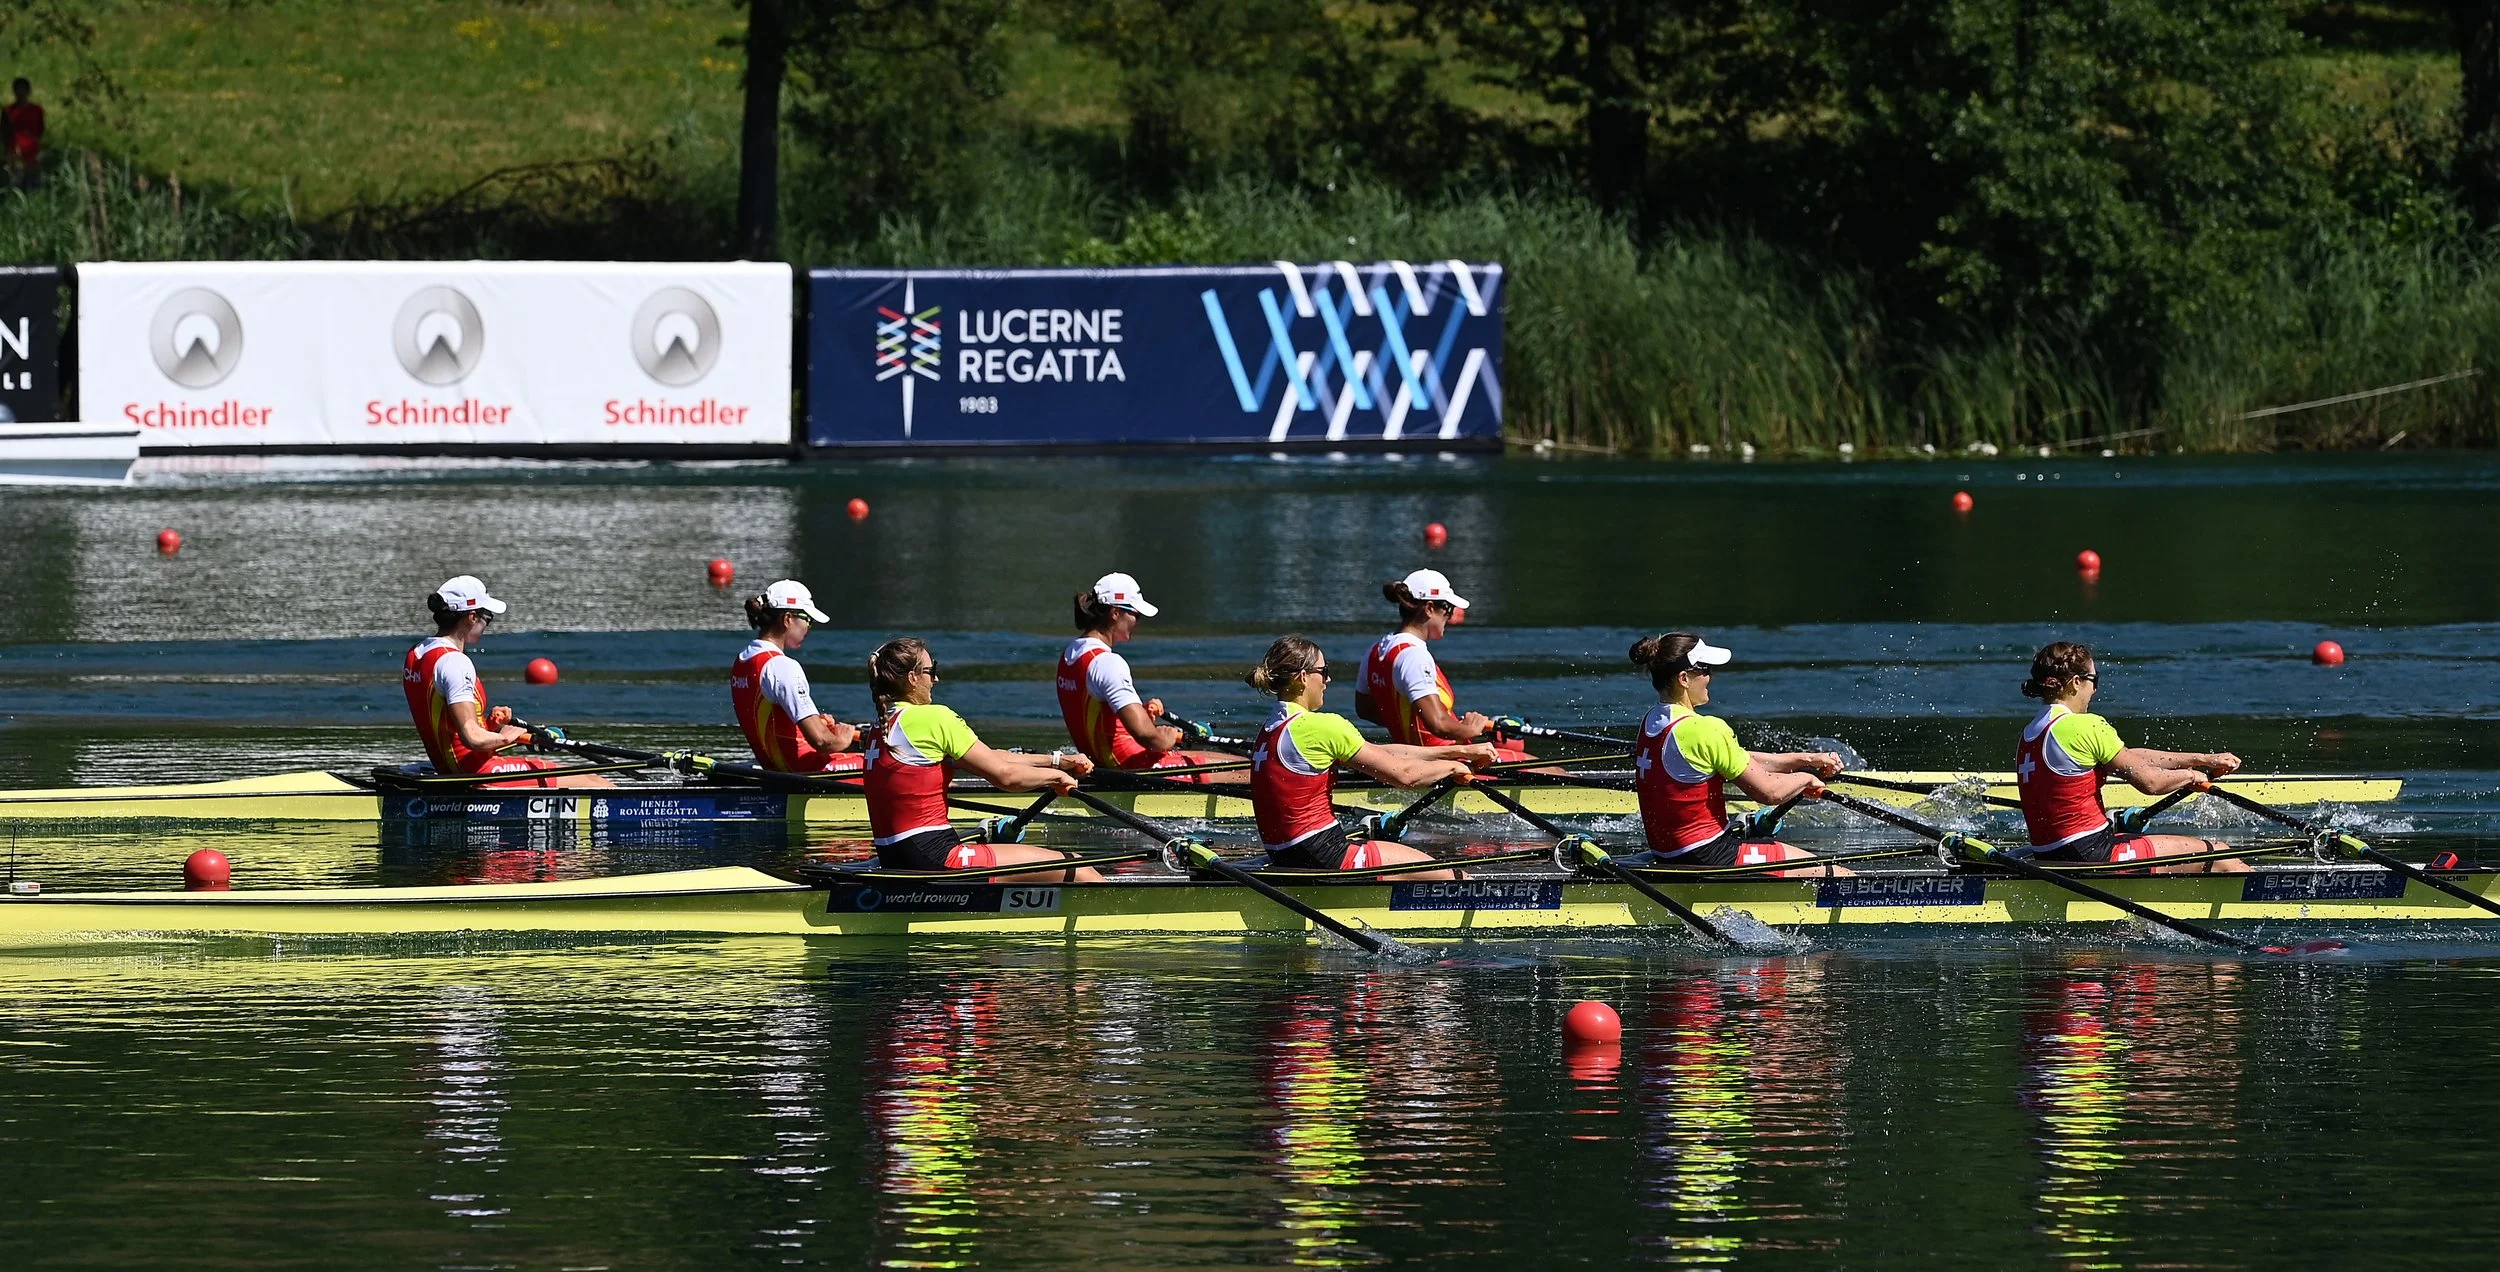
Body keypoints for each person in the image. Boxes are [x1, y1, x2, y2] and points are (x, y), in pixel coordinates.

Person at [1245, 635, 1497, 879]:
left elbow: (1381, 753)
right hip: (1327, 856)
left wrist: (1459, 752)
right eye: (1323, 671)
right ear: (1302, 677)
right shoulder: (1322, 726)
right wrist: (1452, 769)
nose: (1328, 679)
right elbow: (1404, 776)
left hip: (1285, 855)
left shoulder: (1270, 729)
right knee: (1455, 877)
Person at [863, 637, 1102, 881]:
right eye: (931, 670)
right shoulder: (933, 718)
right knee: (1081, 867)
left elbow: (991, 757)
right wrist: (1056, 778)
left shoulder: (881, 726)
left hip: (894, 857)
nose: (936, 679)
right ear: (912, 678)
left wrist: (1058, 762)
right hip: (937, 857)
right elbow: (1006, 777)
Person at [2015, 641, 2248, 873]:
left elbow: (2128, 757)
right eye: (2094, 680)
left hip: (2049, 855)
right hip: (2095, 854)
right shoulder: (2086, 726)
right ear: (2076, 683)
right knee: (2222, 855)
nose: (2095, 689)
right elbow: (2151, 783)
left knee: (2136, 838)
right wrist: (2191, 776)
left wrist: (2202, 760)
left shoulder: (2030, 735)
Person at [1627, 632, 1847, 877]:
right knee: (1838, 876)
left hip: (1669, 852)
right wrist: (1805, 779)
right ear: (1684, 679)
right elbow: (1770, 792)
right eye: (1705, 670)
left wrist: (1805, 760)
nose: (1710, 677)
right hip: (1711, 854)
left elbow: (1732, 758)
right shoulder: (1705, 728)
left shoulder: (1651, 721)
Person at [402, 575, 611, 788]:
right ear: (472, 617)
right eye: (488, 617)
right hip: (478, 772)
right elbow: (471, 737)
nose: (487, 625)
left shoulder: (416, 655)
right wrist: (505, 738)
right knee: (598, 783)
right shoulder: (454, 662)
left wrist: (490, 724)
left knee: (588, 778)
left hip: (450, 767)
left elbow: (443, 725)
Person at [1057, 571, 1240, 781]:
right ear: (1115, 612)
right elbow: (1147, 737)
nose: (1138, 622)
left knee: (1218, 758)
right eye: (1136, 614)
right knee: (1245, 770)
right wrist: (1166, 737)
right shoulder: (1108, 663)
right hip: (1131, 768)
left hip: (1101, 764)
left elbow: (1099, 718)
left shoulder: (1070, 654)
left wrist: (1143, 714)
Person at [1356, 569, 1529, 760]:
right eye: (1448, 609)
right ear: (1429, 608)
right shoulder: (1414, 656)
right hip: (1444, 763)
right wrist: (1470, 728)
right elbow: (1438, 724)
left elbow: (1365, 709)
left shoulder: (1375, 650)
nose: (1451, 616)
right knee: (1554, 770)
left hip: (1411, 761)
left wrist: (1420, 726)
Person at [732, 580, 863, 772]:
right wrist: (843, 737)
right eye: (807, 619)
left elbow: (774, 723)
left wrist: (819, 723)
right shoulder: (782, 667)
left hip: (774, 767)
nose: (810, 627)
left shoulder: (743, 660)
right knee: (880, 763)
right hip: (802, 771)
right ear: (787, 619)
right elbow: (823, 742)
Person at [2, 79, 41, 186]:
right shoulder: (8, 111)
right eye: (18, 89)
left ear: (28, 91)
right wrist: (7, 154)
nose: (20, 92)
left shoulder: (36, 110)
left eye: (23, 89)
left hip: (32, 154)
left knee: (33, 185)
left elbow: (40, 130)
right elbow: (4, 134)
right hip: (14, 154)